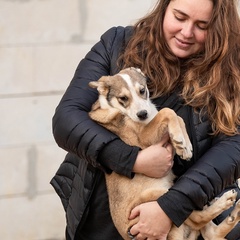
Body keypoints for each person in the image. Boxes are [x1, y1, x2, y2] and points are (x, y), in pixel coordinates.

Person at [50, 0, 240, 239]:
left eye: (202, 25)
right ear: (163, 10)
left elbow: (234, 149)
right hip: (103, 216)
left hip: (192, 210)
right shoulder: (117, 44)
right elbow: (67, 119)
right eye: (179, 17)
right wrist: (132, 159)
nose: (186, 32)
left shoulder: (232, 69)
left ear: (220, 27)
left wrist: (170, 207)